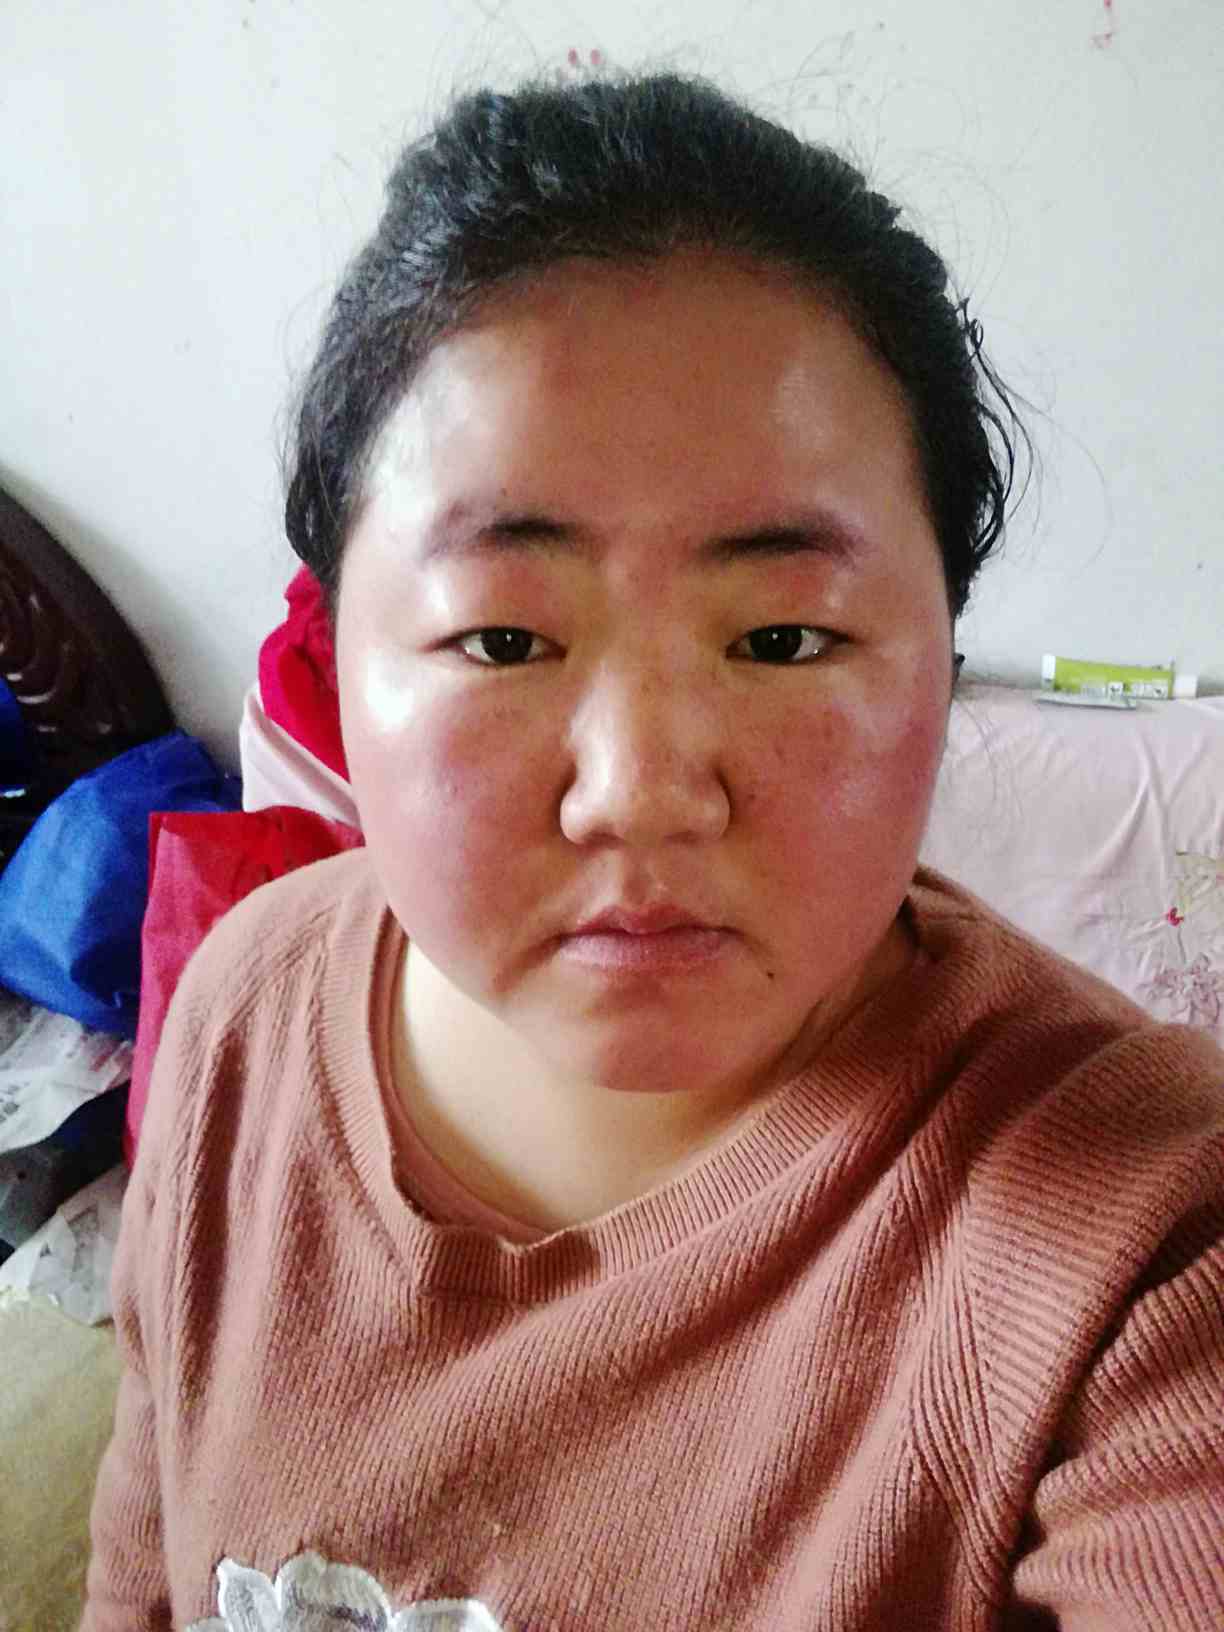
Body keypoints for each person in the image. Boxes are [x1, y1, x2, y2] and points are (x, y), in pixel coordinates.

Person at [82, 72, 1223, 1631]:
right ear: (337, 666)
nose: (640, 795)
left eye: (781, 637)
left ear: (943, 666)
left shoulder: (1148, 1256)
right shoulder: (245, 1004)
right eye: (502, 637)